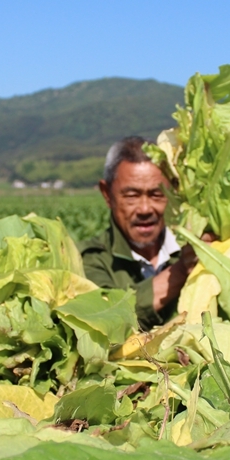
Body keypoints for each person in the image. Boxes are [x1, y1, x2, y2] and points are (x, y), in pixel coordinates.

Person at [79, 136, 199, 330]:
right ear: (107, 194)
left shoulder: (189, 247)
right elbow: (106, 317)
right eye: (132, 196)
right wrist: (182, 270)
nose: (145, 209)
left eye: (157, 194)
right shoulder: (87, 260)